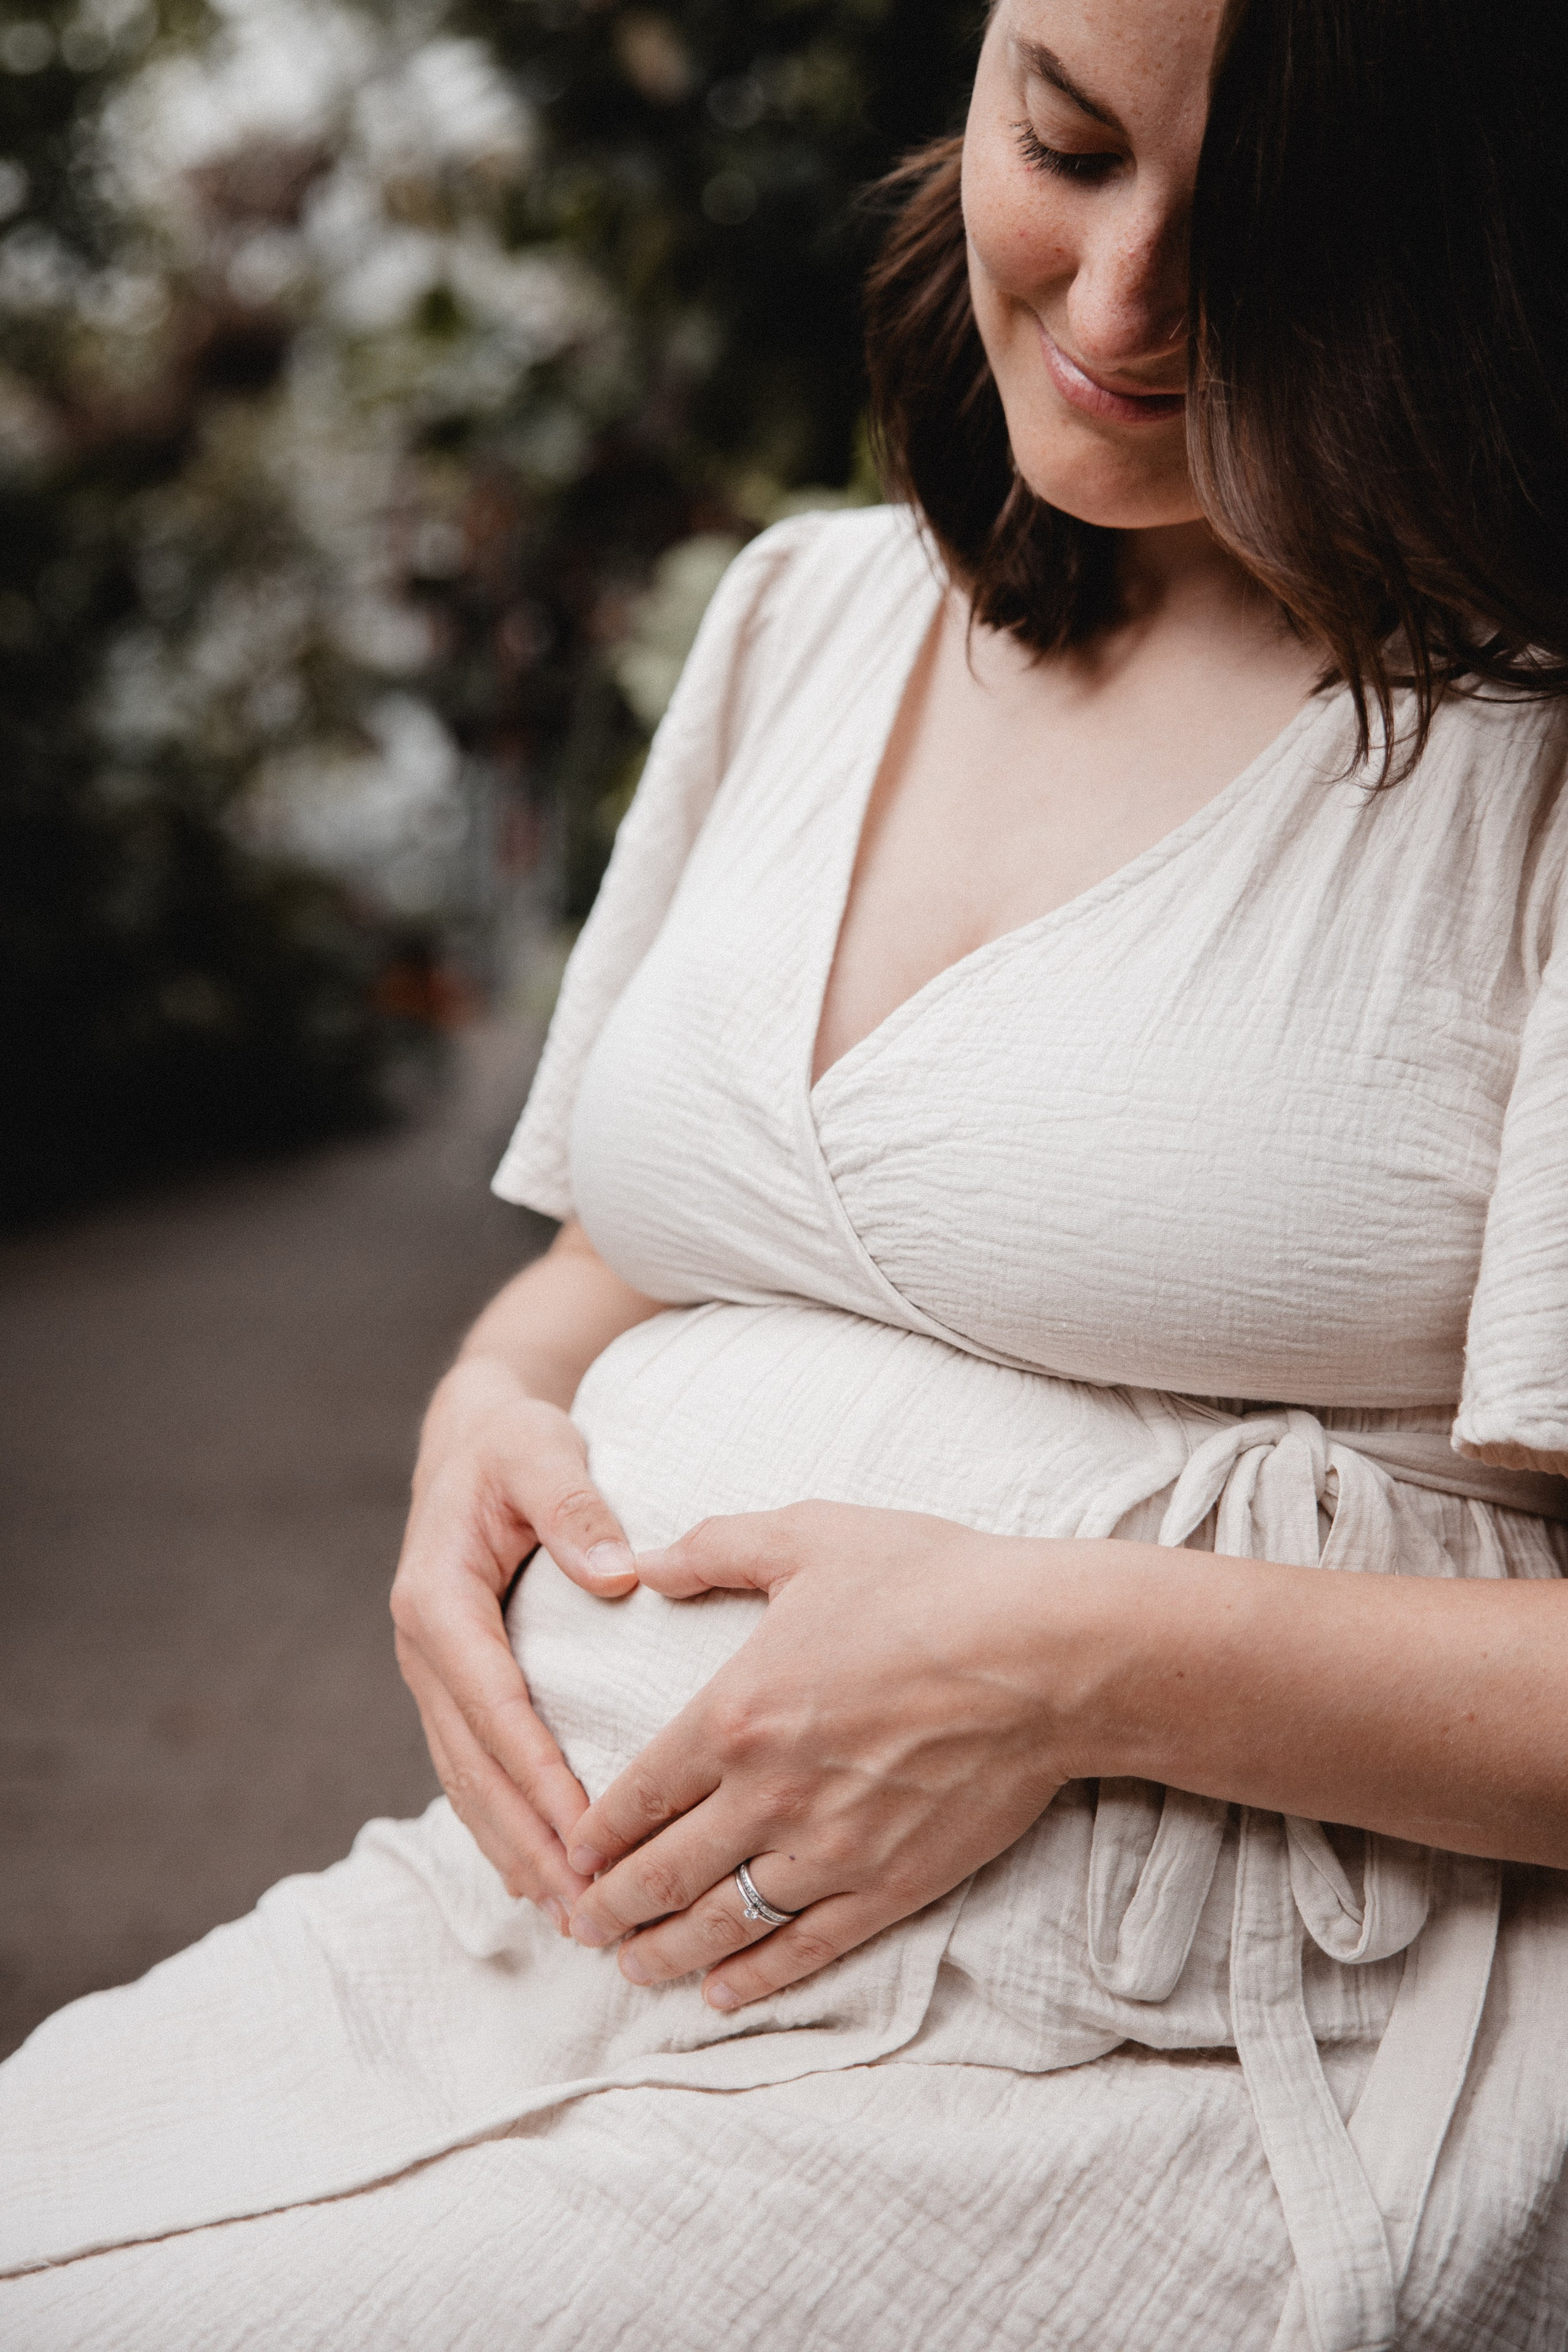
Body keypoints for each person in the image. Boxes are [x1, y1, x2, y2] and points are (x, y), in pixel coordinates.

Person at [4, 0, 1567, 2343]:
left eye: (1270, 232)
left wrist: (1056, 1664)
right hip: (508, 1946)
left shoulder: (1523, 759)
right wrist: (475, 1436)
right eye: (1064, 142)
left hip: (1139, 2067)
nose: (1126, 304)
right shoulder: (809, 616)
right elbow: (618, 1254)